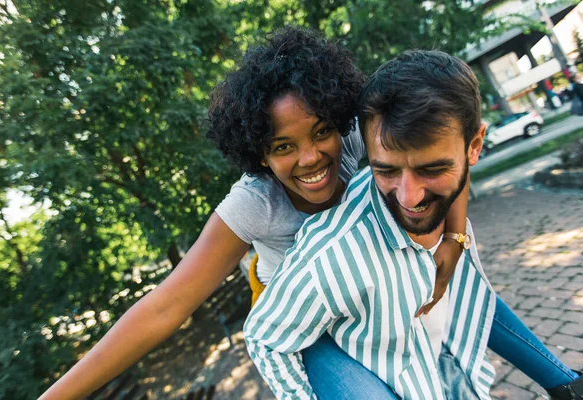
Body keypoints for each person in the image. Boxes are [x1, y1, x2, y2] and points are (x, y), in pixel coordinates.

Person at [38, 27, 465, 400]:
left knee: (473, 313)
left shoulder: (354, 139)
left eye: (320, 132)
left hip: (372, 293)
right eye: (283, 147)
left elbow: (447, 148)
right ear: (258, 154)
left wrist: (454, 238)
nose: (311, 157)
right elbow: (165, 307)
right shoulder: (253, 204)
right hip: (309, 329)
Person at [244, 50, 583, 400]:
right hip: (314, 329)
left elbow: (471, 297)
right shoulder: (330, 253)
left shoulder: (437, 189)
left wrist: (455, 236)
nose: (408, 197)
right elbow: (264, 336)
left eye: (432, 169)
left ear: (474, 147)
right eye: (386, 170)